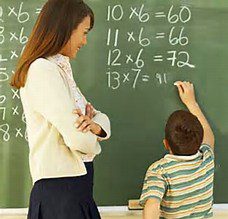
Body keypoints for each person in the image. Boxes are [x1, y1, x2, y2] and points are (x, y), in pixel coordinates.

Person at [10, 0, 111, 218]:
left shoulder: (59, 69)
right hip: (61, 194)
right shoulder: (42, 71)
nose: (85, 41)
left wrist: (95, 127)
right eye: (83, 32)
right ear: (65, 28)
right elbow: (77, 139)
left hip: (75, 191)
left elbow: (99, 117)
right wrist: (94, 140)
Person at [140, 81, 215, 219]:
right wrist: (192, 103)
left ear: (166, 143)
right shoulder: (207, 160)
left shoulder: (160, 170)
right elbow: (209, 137)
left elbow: (152, 204)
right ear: (200, 141)